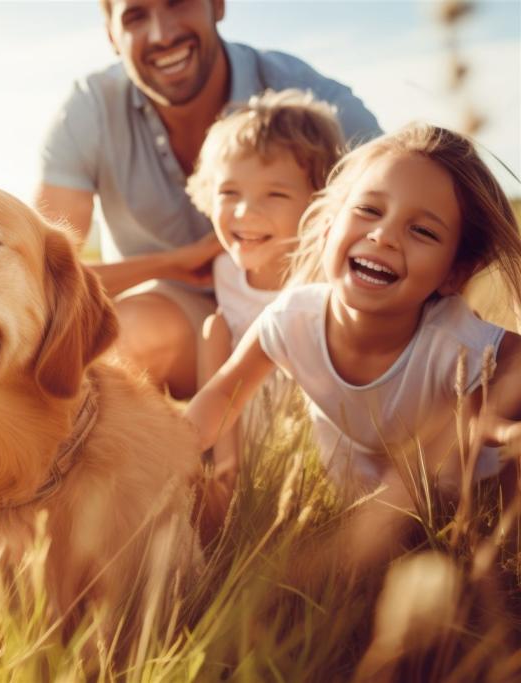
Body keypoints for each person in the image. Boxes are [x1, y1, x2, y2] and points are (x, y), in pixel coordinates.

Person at [35, 0, 379, 398]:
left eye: (177, 3)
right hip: (185, 320)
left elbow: (411, 212)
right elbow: (44, 281)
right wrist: (175, 264)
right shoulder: (89, 111)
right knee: (119, 339)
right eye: (135, 16)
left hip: (311, 314)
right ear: (112, 34)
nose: (162, 34)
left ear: (217, 5)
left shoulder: (312, 100)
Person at [186, 123, 521, 501]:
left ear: (453, 273)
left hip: (464, 508)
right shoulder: (291, 318)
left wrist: (505, 433)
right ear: (328, 229)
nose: (383, 235)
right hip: (357, 503)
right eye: (368, 209)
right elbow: (220, 397)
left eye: (423, 231)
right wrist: (163, 457)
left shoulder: (453, 342)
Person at [185, 88, 345, 483]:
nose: (244, 212)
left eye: (274, 193)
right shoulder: (224, 272)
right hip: (242, 430)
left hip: (317, 449)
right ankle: (225, 474)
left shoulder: (326, 280)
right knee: (213, 329)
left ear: (320, 201)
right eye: (229, 193)